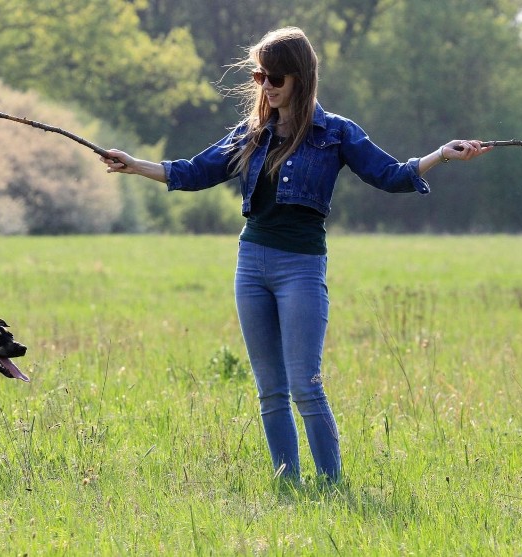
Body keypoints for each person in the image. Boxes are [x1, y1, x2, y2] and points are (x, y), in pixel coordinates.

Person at [101, 27, 491, 482]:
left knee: (306, 385)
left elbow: (389, 174)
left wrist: (442, 154)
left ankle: (331, 485)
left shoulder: (337, 133)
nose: (265, 86)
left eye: (275, 78)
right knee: (270, 391)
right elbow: (193, 171)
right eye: (259, 76)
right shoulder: (250, 133)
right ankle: (287, 483)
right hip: (251, 266)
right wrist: (135, 165)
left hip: (301, 268)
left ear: (300, 79)